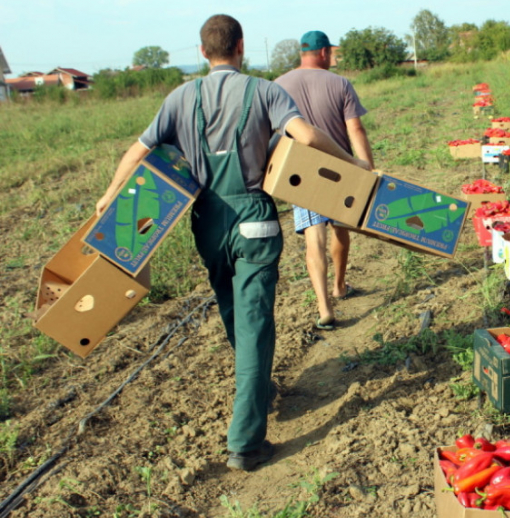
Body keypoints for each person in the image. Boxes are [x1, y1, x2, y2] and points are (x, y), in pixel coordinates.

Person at [94, 14, 369, 472]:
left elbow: (138, 151)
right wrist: (350, 162)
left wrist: (108, 197)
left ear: (203, 52)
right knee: (255, 321)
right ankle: (246, 443)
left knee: (233, 312)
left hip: (207, 224)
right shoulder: (263, 91)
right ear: (241, 47)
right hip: (254, 219)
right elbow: (305, 136)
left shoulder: (180, 97)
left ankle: (256, 387)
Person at [274, 30, 375, 331]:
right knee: (341, 229)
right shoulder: (339, 83)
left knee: (313, 238)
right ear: (322, 53)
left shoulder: (277, 86)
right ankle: (340, 286)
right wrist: (366, 167)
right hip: (341, 169)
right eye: (330, 53)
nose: (331, 57)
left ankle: (324, 306)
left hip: (301, 174)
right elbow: (355, 129)